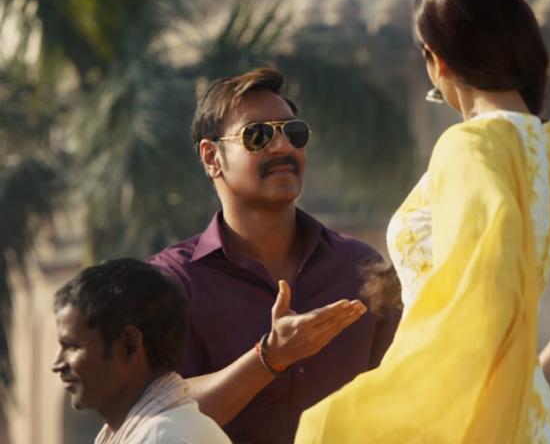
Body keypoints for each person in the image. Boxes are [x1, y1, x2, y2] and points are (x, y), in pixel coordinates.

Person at [295, 0, 550, 443]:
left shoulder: (469, 147)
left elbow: (478, 295)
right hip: (529, 422)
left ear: (436, 59)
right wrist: (538, 378)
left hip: (458, 419)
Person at [149, 67, 401, 443]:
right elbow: (158, 418)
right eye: (258, 135)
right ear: (211, 156)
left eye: (294, 133)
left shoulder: (360, 269)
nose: (283, 147)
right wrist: (269, 358)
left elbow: (400, 392)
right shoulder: (173, 283)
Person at [52, 258, 231, 444]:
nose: (57, 364)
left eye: (72, 346)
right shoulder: (173, 429)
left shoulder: (164, 437)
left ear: (129, 345)